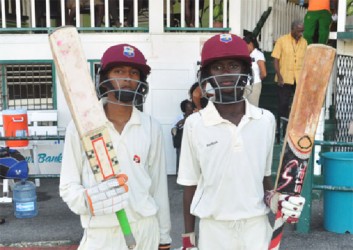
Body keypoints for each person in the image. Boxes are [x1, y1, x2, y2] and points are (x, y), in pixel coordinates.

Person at [176, 33, 305, 249]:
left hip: (256, 227)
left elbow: (264, 177)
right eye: (218, 68)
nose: (226, 73)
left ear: (245, 72)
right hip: (213, 229)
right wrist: (188, 238)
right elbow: (190, 184)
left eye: (234, 65)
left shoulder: (265, 120)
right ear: (206, 75)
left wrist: (277, 200)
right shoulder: (195, 124)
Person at [59, 44, 172, 249]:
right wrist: (88, 200)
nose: (127, 78)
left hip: (145, 229)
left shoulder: (151, 127)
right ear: (104, 80)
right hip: (101, 233)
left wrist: (164, 238)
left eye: (133, 72)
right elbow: (68, 185)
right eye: (118, 71)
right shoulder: (81, 127)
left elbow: (158, 188)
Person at [271, 20, 307, 141]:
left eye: (302, 31)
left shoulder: (304, 42)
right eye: (298, 31)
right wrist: (279, 76)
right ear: (292, 29)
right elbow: (275, 59)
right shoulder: (282, 40)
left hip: (299, 79)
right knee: (283, 105)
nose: (300, 34)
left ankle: (296, 130)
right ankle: (281, 132)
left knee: (299, 104)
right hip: (284, 78)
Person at [243, 35, 267, 106]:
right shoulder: (245, 55)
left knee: (253, 107)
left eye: (245, 45)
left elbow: (264, 73)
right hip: (244, 85)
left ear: (250, 44)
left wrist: (257, 79)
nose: (244, 48)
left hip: (254, 85)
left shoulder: (258, 54)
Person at [171, 99, 193, 175]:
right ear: (185, 109)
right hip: (181, 142)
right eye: (189, 106)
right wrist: (183, 121)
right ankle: (179, 174)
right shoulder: (179, 118)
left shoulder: (195, 117)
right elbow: (173, 129)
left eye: (191, 106)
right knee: (180, 158)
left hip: (192, 142)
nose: (191, 108)